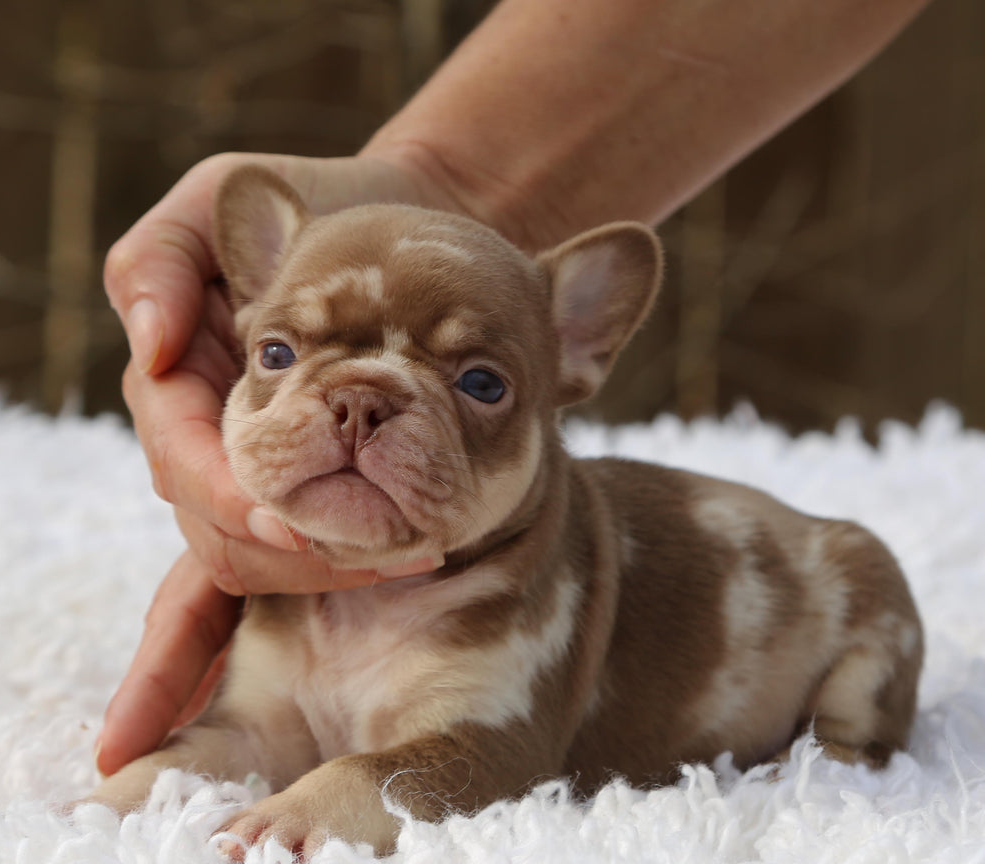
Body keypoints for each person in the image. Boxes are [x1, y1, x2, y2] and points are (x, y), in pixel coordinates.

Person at [96, 0, 930, 777]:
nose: (357, 412)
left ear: (574, 357)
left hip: (799, 611)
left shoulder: (519, 592)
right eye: (279, 355)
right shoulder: (275, 603)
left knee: (856, 575)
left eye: (479, 382)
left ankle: (850, 744)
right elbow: (244, 737)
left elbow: (473, 764)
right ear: (242, 310)